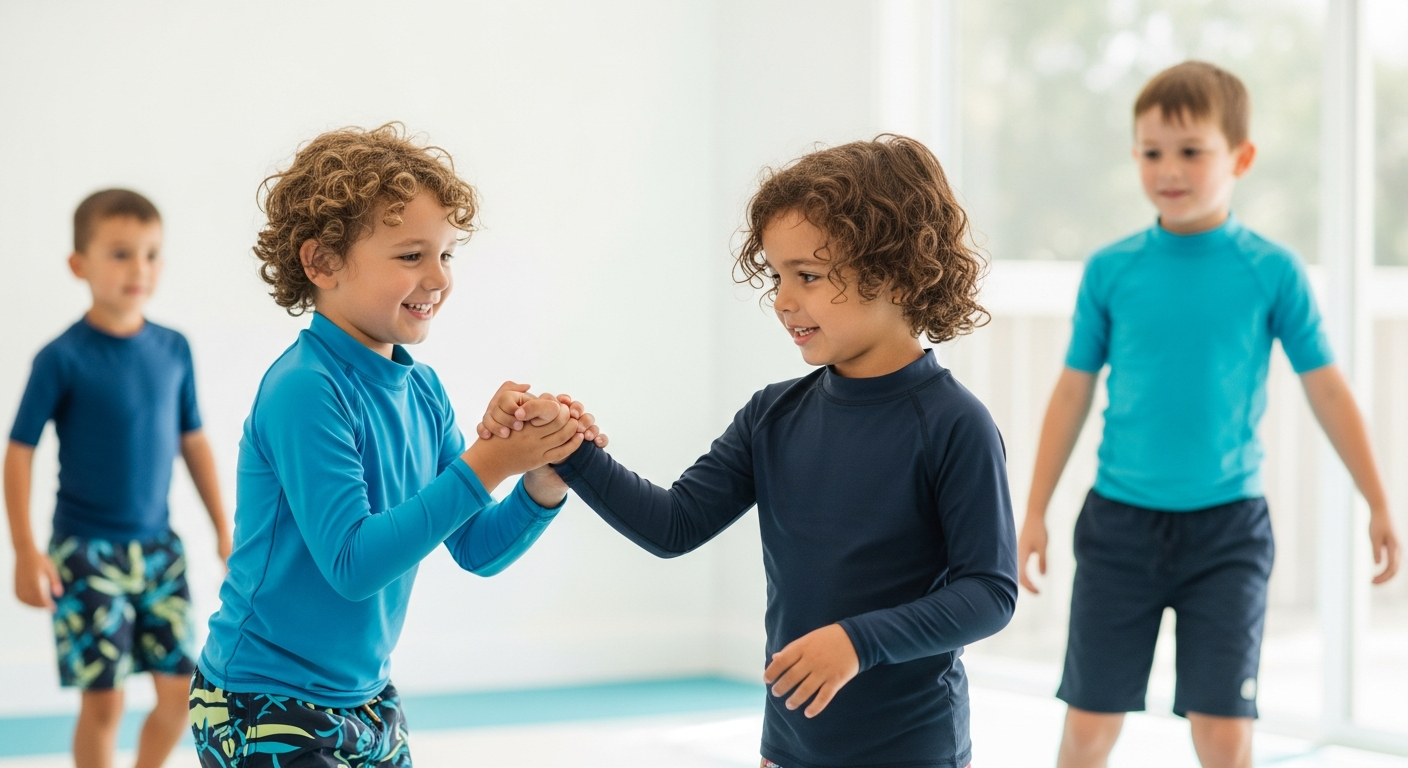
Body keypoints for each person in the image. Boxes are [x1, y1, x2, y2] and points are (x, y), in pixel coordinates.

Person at [482, 135, 1017, 768]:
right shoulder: (774, 414)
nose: (784, 301)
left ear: (894, 274)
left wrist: (857, 642)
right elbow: (673, 524)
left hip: (910, 748)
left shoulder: (955, 424)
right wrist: (568, 446)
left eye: (809, 277)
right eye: (778, 277)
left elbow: (988, 592)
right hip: (791, 745)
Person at [1017, 61, 1402, 768]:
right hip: (1118, 530)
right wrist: (1034, 508)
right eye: (1152, 152)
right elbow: (1072, 392)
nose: (1170, 169)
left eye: (1192, 150)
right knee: (1090, 723)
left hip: (1227, 535)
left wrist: (1378, 500)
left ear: (1240, 157)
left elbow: (1327, 390)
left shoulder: (1272, 270)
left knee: (1224, 733)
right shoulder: (1111, 269)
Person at [188, 124, 604, 768]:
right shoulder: (304, 390)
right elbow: (353, 565)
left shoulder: (423, 389)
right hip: (262, 701)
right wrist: (488, 461)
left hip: (367, 699)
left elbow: (474, 548)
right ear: (321, 263)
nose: (438, 278)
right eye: (411, 256)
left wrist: (541, 479)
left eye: (446, 255)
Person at [4, 188, 231, 768]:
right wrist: (27, 551)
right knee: (103, 705)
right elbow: (19, 451)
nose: (140, 268)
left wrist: (223, 530)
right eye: (121, 253)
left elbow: (194, 441)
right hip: (85, 553)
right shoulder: (61, 357)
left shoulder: (173, 348)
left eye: (152, 253)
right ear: (79, 265)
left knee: (182, 696)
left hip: (159, 550)